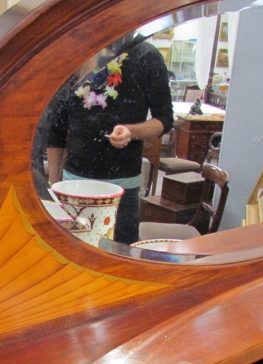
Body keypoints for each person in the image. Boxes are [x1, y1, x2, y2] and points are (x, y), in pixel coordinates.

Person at [46, 40, 174, 245]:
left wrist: (131, 132)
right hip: (72, 187)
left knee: (120, 260)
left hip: (121, 189)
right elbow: (57, 131)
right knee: (72, 257)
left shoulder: (145, 56)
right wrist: (53, 187)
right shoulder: (75, 55)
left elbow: (164, 120)